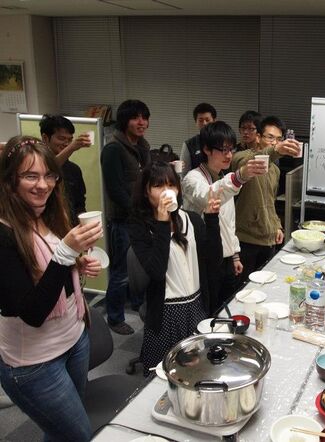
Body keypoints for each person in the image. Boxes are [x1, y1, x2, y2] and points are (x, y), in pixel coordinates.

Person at [0, 136, 103, 441]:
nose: (43, 185)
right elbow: (32, 312)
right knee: (78, 435)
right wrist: (65, 255)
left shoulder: (45, 214)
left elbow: (48, 270)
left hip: (74, 339)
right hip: (35, 363)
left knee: (60, 432)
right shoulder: (4, 233)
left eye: (49, 175)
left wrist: (75, 265)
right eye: (30, 176)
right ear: (9, 181)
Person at [128, 161, 223, 376]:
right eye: (159, 186)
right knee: (164, 378)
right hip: (167, 314)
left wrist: (211, 219)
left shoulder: (191, 219)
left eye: (171, 185)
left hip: (197, 306)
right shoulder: (139, 227)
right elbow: (156, 271)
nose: (166, 192)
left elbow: (214, 262)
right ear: (146, 192)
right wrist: (162, 223)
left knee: (198, 373)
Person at [182, 121, 267, 312]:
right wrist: (240, 176)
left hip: (227, 258)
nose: (229, 155)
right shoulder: (192, 179)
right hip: (204, 258)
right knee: (209, 310)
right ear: (206, 149)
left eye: (231, 149)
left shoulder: (222, 177)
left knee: (228, 308)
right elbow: (208, 197)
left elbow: (228, 223)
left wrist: (235, 254)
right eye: (223, 149)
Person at [101, 99, 151, 335]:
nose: (141, 122)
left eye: (144, 117)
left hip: (142, 218)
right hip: (123, 221)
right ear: (125, 121)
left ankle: (139, 306)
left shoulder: (142, 145)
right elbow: (116, 190)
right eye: (135, 117)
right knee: (121, 272)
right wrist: (137, 212)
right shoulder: (113, 149)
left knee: (140, 266)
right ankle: (114, 317)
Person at [231, 115, 301, 279]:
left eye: (278, 139)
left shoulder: (275, 170)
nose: (274, 142)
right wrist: (276, 151)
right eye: (270, 137)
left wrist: (277, 225)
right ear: (258, 137)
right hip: (246, 240)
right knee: (244, 290)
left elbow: (270, 202)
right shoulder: (242, 158)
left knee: (266, 286)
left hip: (268, 240)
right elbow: (253, 163)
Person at [39, 114, 90, 223]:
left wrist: (84, 224)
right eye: (61, 138)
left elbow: (79, 204)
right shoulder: (35, 164)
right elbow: (48, 169)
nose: (66, 143)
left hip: (71, 227)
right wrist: (71, 148)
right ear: (45, 138)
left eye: (70, 139)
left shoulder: (74, 169)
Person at [179, 102, 217, 176]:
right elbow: (184, 173)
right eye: (200, 120)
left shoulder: (221, 140)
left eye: (207, 120)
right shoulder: (189, 144)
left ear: (214, 121)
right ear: (196, 122)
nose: (204, 123)